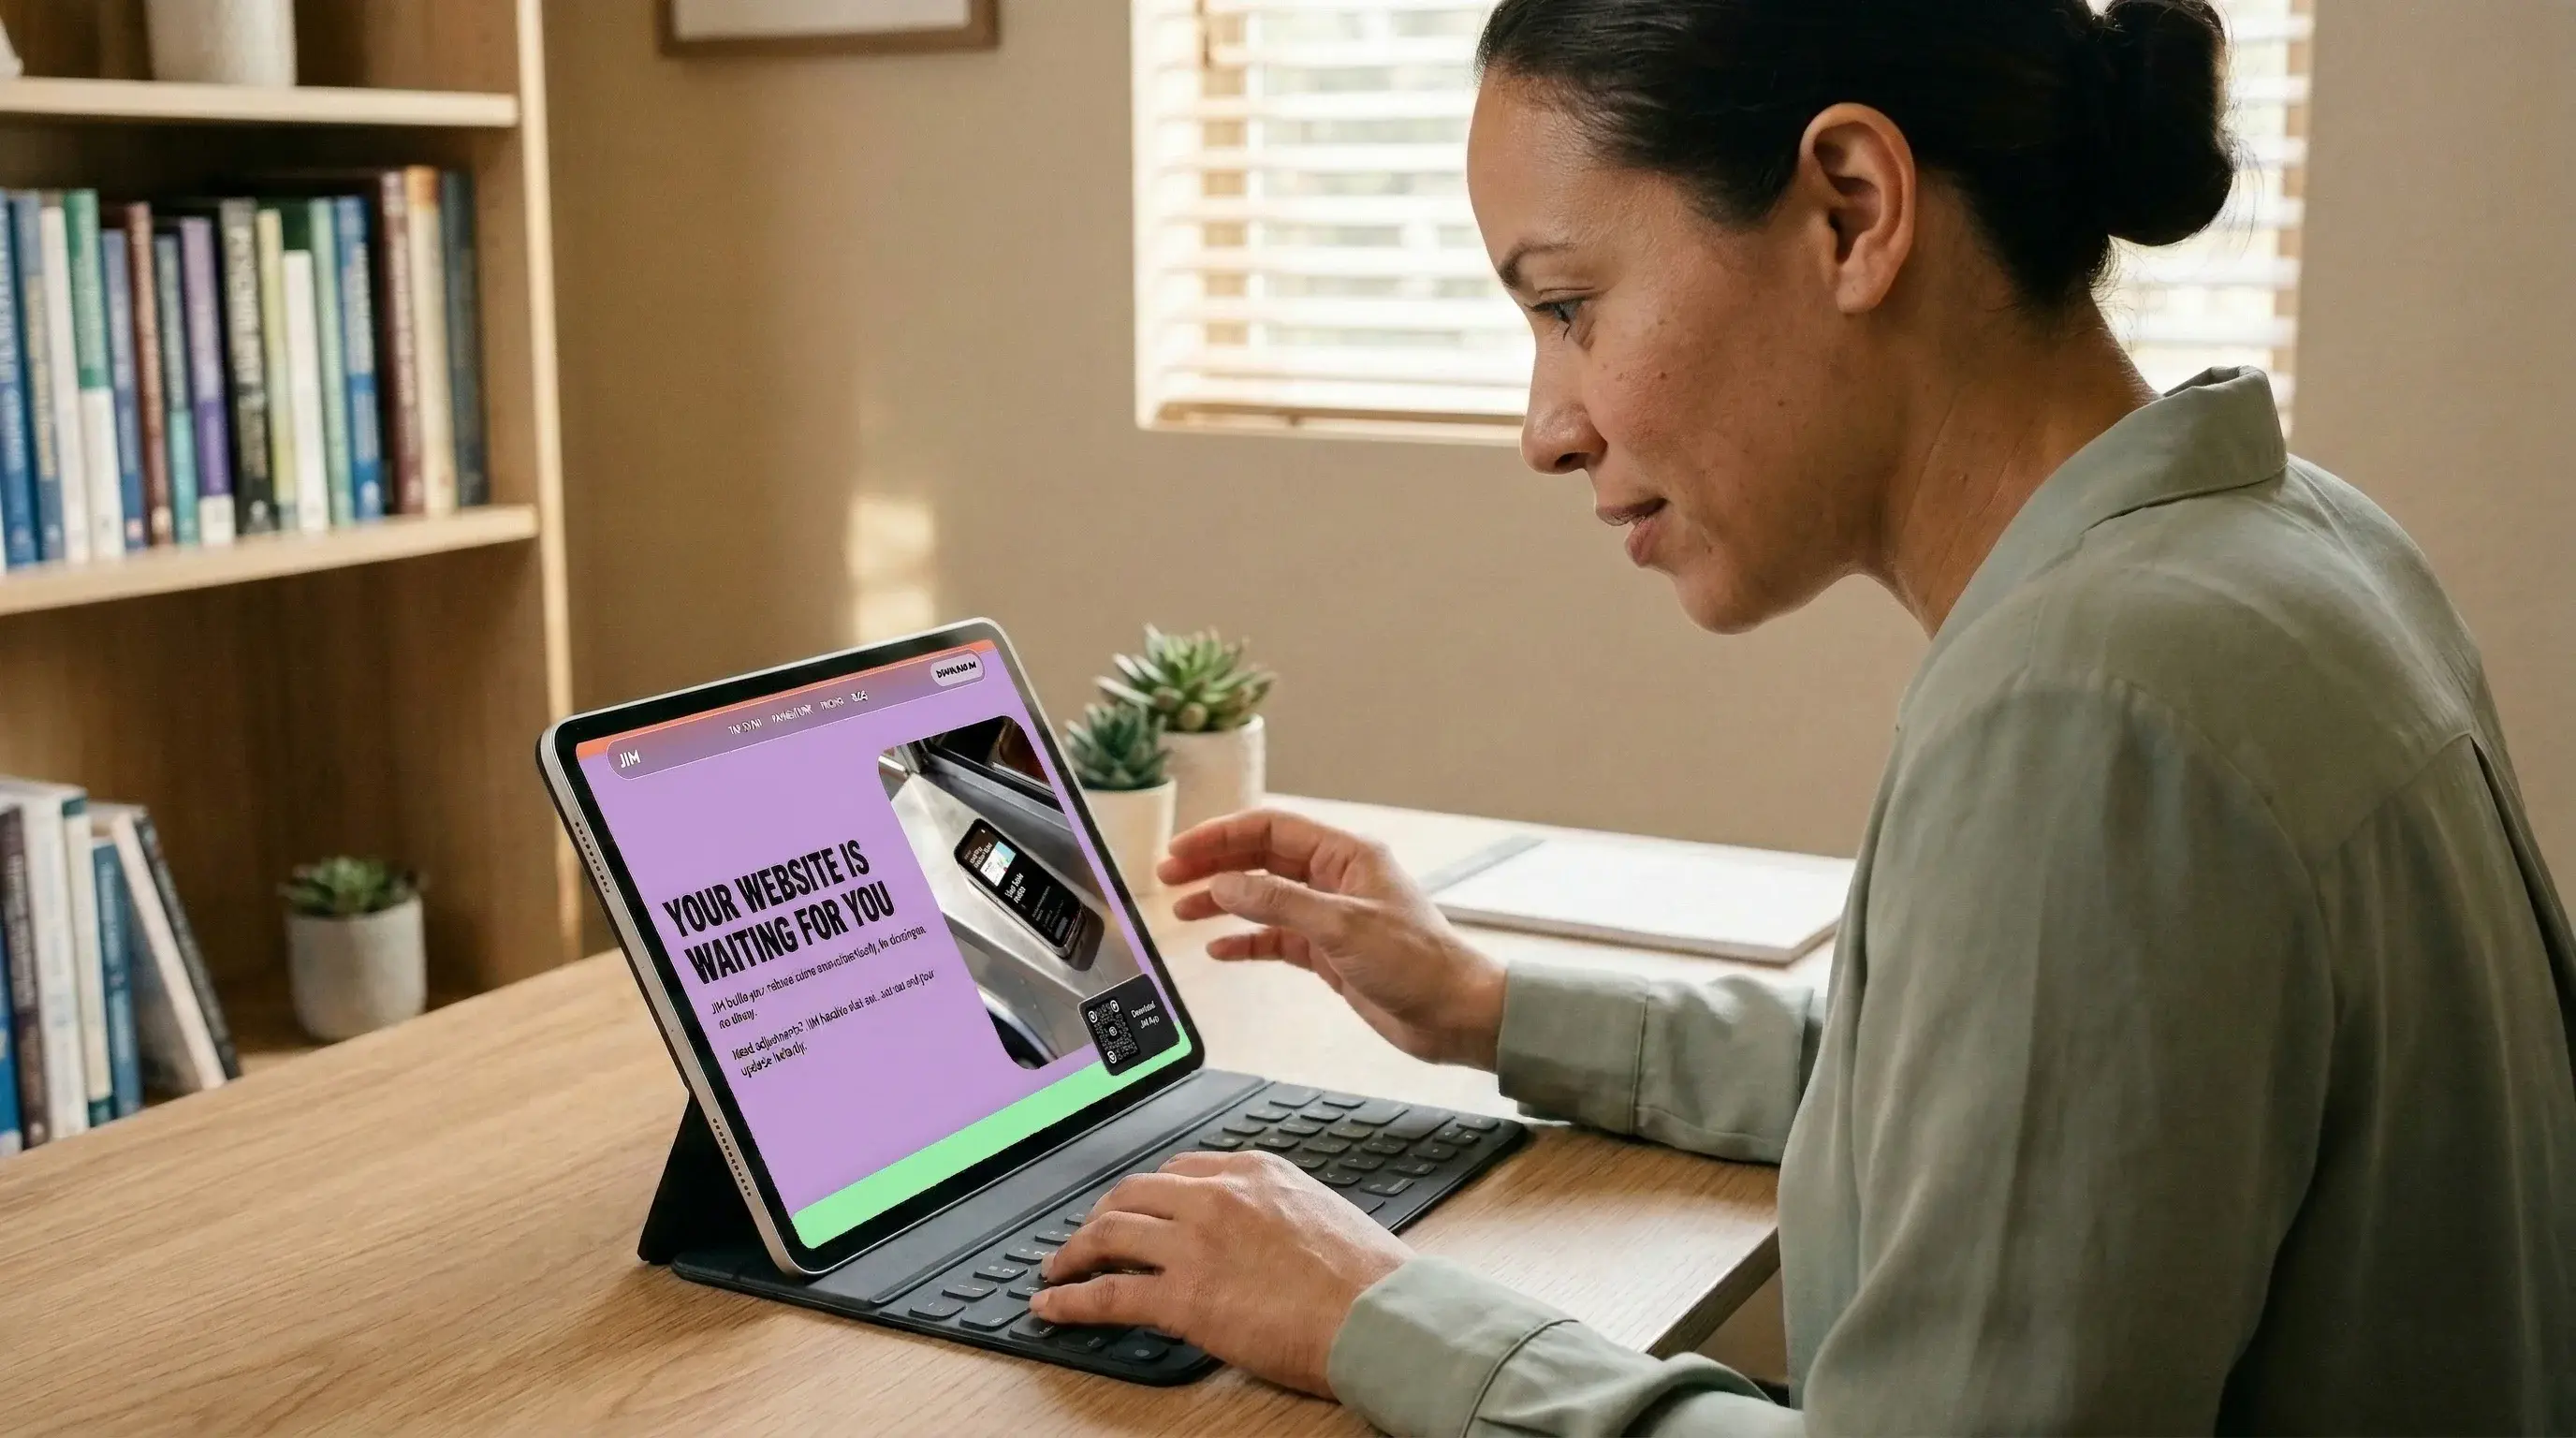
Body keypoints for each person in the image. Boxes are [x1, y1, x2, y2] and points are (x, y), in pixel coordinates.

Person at [1030, 0, 2576, 1430]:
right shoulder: (2301, 544)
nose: (1546, 428)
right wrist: (1489, 1007)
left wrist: (1371, 1311)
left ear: (1852, 209)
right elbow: (1987, 1102)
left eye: (1569, 306)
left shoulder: (2093, 708)